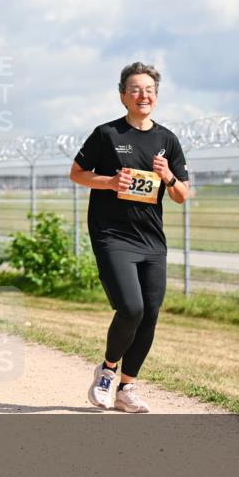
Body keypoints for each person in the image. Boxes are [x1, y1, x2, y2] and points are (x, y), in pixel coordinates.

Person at [70, 62, 190, 413]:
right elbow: (77, 173)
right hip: (112, 235)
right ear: (123, 94)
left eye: (150, 89)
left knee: (150, 313)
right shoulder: (107, 135)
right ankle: (107, 371)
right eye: (136, 89)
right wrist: (108, 181)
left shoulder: (167, 140)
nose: (143, 95)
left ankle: (126, 388)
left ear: (157, 95)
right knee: (131, 308)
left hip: (151, 240)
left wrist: (168, 176)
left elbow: (183, 195)